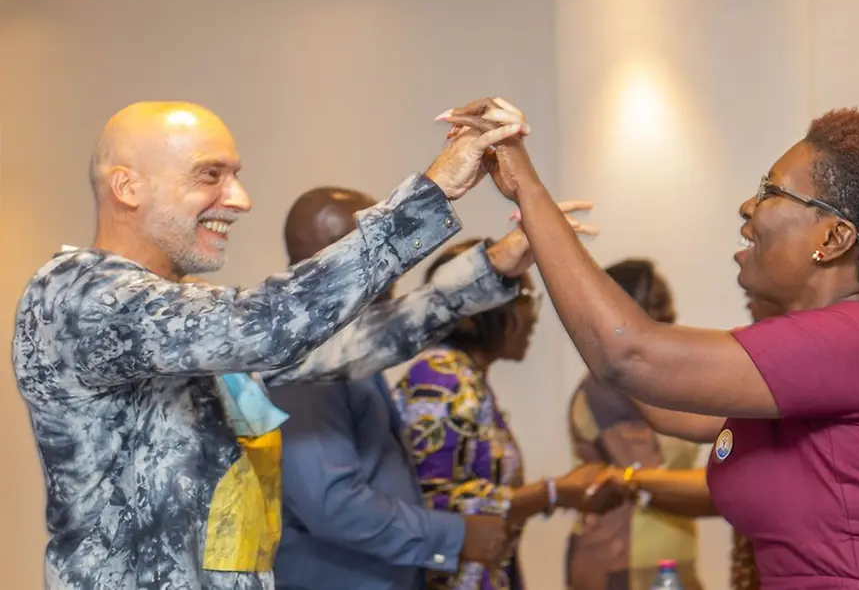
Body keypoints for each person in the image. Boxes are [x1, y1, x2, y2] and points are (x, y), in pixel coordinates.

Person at [439, 98, 859, 588]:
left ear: (833, 237)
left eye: (771, 191)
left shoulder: (858, 340)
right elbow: (666, 400)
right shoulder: (824, 343)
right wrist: (561, 267)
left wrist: (529, 191)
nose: (748, 205)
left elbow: (632, 355)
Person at [11, 100, 528, 589]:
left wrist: (492, 267)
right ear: (128, 186)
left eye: (234, 176)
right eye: (210, 175)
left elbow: (346, 348)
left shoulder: (178, 314)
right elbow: (272, 323)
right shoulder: (80, 296)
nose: (240, 199)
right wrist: (433, 192)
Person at [270, 187, 597, 590]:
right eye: (378, 250)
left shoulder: (351, 353)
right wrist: (456, 536)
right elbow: (332, 504)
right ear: (334, 259)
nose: (394, 267)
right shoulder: (307, 358)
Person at [394, 239, 627, 590]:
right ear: (476, 310)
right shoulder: (439, 379)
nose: (531, 315)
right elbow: (430, 505)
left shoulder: (466, 378)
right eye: (524, 298)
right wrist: (553, 493)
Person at [566, 259, 707, 590]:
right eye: (656, 303)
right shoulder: (607, 390)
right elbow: (646, 477)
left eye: (668, 302)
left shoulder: (654, 385)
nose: (670, 314)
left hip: (664, 559)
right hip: (621, 562)